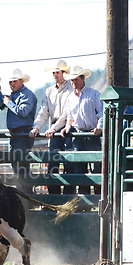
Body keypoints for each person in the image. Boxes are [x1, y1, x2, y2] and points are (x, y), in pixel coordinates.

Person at [29, 60, 75, 195]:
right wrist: (36, 127)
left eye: (57, 72)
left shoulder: (71, 89)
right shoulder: (49, 91)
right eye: (54, 72)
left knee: (69, 166)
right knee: (52, 166)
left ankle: (67, 198)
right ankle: (54, 198)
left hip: (68, 129)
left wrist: (53, 128)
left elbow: (68, 112)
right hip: (54, 131)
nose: (55, 75)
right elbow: (43, 111)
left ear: (64, 73)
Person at [60, 66, 103, 197]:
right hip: (78, 135)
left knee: (96, 168)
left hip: (92, 134)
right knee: (80, 169)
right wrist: (67, 127)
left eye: (76, 80)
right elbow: (70, 117)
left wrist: (99, 127)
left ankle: (98, 198)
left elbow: (102, 113)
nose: (73, 83)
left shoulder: (94, 94)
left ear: (83, 79)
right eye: (72, 80)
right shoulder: (70, 97)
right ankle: (85, 201)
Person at [0, 69, 37, 195]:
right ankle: (28, 193)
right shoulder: (17, 94)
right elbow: (5, 102)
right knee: (18, 165)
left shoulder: (27, 95)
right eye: (10, 82)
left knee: (20, 166)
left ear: (21, 81)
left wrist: (8, 102)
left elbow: (22, 112)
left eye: (14, 81)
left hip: (22, 134)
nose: (12, 84)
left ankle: (28, 193)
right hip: (17, 134)